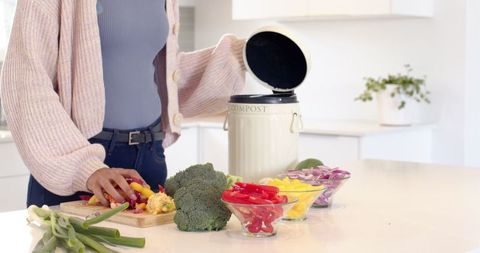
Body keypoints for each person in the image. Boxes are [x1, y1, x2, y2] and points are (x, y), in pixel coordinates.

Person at [0, 0, 245, 207]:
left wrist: (238, 58)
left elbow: (161, 75)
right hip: (82, 164)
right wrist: (84, 169)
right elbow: (25, 78)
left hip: (149, 156)